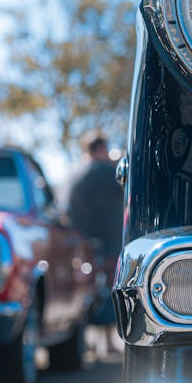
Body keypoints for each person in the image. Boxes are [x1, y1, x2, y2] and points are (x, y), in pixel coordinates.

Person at [67, 132, 124, 343]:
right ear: (101, 149)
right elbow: (125, 189)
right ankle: (108, 341)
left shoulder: (73, 174)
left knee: (87, 291)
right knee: (110, 289)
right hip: (108, 243)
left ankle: (90, 342)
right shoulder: (106, 172)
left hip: (81, 244)